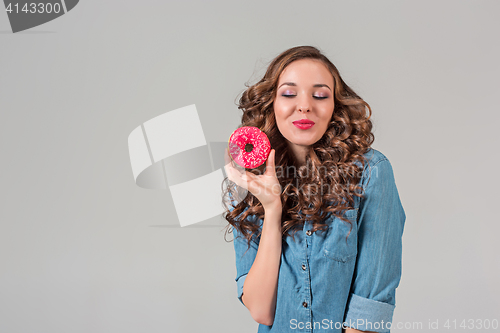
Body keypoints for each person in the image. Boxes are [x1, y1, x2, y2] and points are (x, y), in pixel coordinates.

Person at [222, 45, 406, 333]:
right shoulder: (252, 181)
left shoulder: (370, 172)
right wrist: (272, 209)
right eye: (289, 93)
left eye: (320, 95)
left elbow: (368, 315)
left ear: (335, 107)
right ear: (272, 104)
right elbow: (261, 310)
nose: (305, 105)